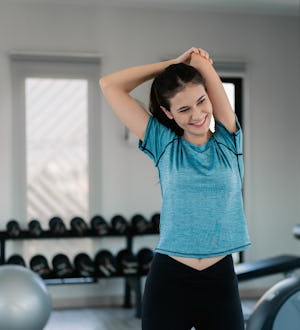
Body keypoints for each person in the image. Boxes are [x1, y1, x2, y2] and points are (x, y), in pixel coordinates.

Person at [100, 47, 251, 330]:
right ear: (168, 113)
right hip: (170, 280)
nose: (197, 114)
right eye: (183, 109)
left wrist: (199, 63)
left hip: (219, 280)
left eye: (201, 101)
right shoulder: (165, 144)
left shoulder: (229, 141)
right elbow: (109, 85)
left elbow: (204, 71)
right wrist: (169, 65)